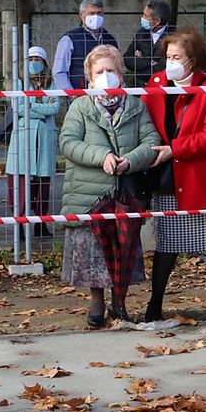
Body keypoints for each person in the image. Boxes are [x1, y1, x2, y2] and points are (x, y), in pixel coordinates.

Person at [142, 26, 206, 323]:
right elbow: (144, 118)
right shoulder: (156, 83)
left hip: (205, 180)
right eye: (168, 56)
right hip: (169, 178)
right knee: (167, 246)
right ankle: (154, 303)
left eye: (177, 57)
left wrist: (175, 148)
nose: (170, 61)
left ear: (193, 61)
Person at [58, 46, 160, 326]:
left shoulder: (136, 105)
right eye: (99, 72)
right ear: (89, 78)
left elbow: (151, 141)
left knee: (123, 250)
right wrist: (100, 156)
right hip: (89, 194)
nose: (106, 76)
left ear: (121, 73)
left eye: (110, 70)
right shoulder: (80, 106)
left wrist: (130, 160)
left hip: (125, 193)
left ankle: (120, 301)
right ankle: (96, 299)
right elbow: (68, 143)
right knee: (94, 252)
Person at [5, 45, 61, 238]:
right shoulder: (19, 83)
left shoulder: (51, 84)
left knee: (42, 183)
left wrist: (32, 106)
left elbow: (55, 108)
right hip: (23, 137)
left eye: (38, 60)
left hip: (44, 138)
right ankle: (18, 225)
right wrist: (40, 108)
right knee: (19, 183)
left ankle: (40, 223)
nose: (35, 63)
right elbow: (19, 108)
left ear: (44, 63)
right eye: (31, 60)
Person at [53, 0, 119, 90]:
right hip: (79, 94)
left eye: (99, 13)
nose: (96, 17)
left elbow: (118, 69)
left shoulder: (109, 39)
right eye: (92, 13)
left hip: (107, 95)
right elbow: (59, 72)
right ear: (81, 15)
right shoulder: (69, 39)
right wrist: (71, 94)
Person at [123, 0, 172, 85]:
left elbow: (163, 67)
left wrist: (139, 66)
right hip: (139, 87)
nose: (142, 18)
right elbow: (127, 58)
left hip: (162, 87)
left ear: (157, 21)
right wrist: (149, 62)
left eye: (145, 16)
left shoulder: (173, 37)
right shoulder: (141, 33)